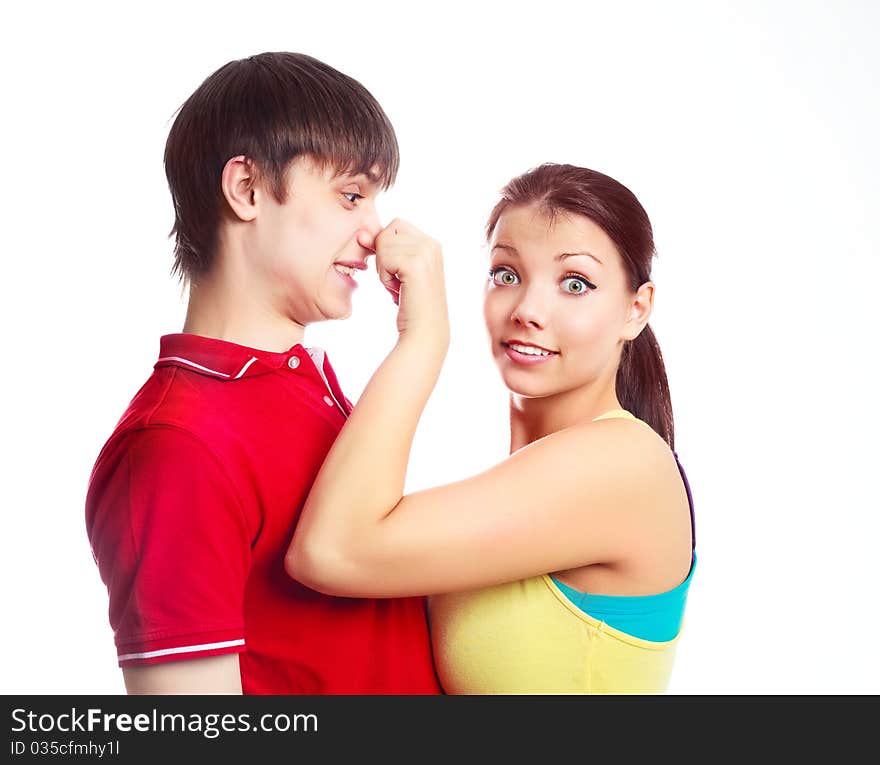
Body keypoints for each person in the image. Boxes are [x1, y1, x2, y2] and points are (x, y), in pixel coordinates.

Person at [84, 52, 441, 695]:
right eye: (351, 195)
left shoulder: (300, 385)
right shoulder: (175, 445)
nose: (375, 232)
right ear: (246, 190)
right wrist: (424, 342)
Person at [287, 163, 697, 694]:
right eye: (507, 274)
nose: (528, 310)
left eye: (575, 284)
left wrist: (423, 337)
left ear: (635, 310)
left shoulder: (624, 464)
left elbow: (330, 551)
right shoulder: (538, 481)